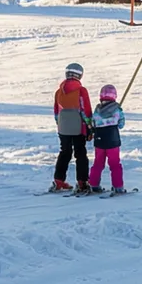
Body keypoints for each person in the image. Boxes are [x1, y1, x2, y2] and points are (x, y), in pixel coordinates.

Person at [49, 62, 93, 193]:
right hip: (78, 127)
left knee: (65, 152)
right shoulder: (81, 91)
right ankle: (82, 182)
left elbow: (57, 112)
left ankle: (59, 180)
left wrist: (60, 124)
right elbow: (85, 110)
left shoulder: (59, 92)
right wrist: (90, 126)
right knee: (80, 153)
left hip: (63, 127)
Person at [88, 84, 127, 194]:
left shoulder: (97, 110)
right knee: (115, 164)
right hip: (112, 140)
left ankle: (94, 184)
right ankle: (118, 186)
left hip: (99, 140)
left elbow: (93, 122)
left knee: (98, 163)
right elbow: (121, 124)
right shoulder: (117, 110)